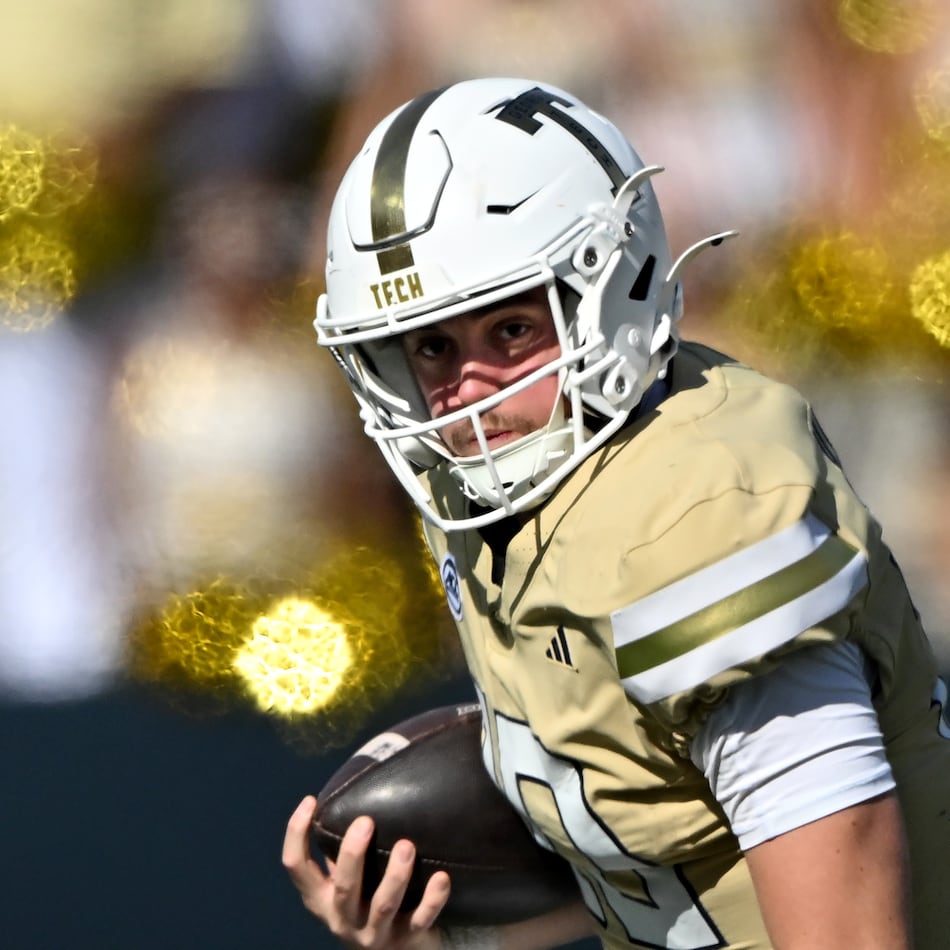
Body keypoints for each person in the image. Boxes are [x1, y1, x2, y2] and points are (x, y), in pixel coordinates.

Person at [283, 77, 950, 949]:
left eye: (512, 331)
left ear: (614, 283)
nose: (467, 394)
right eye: (434, 347)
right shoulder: (497, 498)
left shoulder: (690, 514)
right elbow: (659, 871)